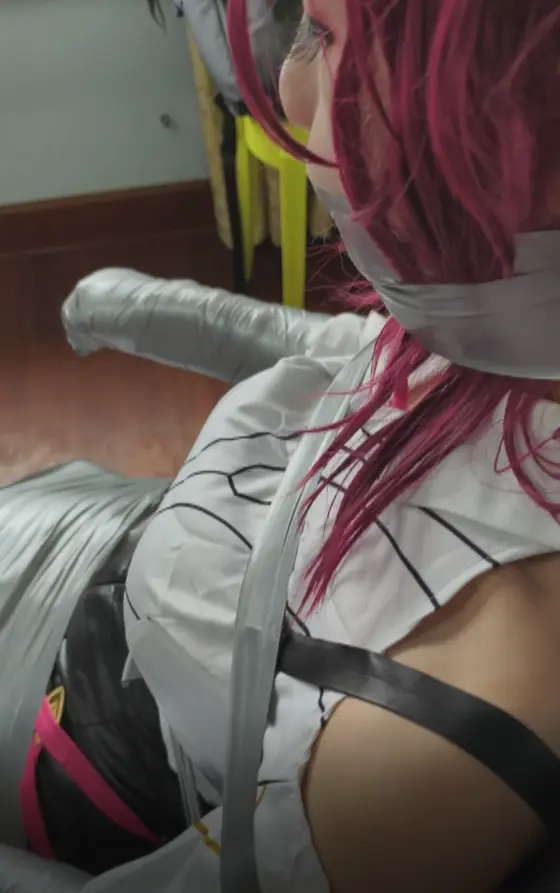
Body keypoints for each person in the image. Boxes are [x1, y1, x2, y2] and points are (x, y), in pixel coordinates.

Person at [6, 1, 560, 891]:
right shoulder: (510, 321)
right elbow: (371, 366)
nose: (290, 93)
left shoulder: (456, 722)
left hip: (85, 756)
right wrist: (173, 313)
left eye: (324, 36)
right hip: (118, 557)